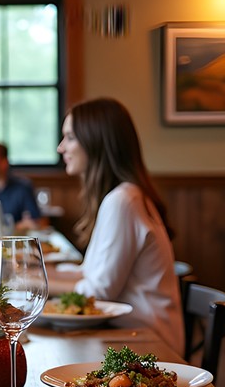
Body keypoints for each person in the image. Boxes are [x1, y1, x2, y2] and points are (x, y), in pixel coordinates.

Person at [50, 97, 184, 353]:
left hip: (147, 347)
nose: (60, 147)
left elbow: (99, 291)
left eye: (70, 137)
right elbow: (89, 273)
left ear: (96, 142)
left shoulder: (122, 201)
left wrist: (32, 284)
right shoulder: (124, 196)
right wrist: (33, 276)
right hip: (128, 336)